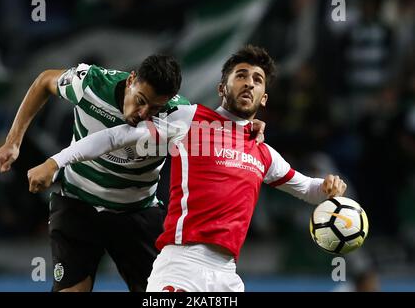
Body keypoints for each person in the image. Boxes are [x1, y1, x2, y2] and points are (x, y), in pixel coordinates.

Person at [26, 45, 347, 292]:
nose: (249, 83)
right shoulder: (188, 120)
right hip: (181, 265)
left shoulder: (262, 151)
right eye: (241, 75)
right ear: (222, 87)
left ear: (264, 98)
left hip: (227, 275)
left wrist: (328, 188)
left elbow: (306, 189)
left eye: (258, 80)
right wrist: (57, 161)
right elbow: (116, 137)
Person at [0, 54, 188, 292]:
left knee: (160, 294)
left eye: (155, 108)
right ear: (131, 80)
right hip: (78, 202)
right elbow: (44, 81)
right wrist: (13, 142)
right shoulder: (90, 84)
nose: (144, 113)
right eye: (140, 100)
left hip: (138, 210)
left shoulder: (179, 114)